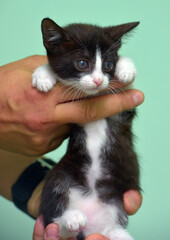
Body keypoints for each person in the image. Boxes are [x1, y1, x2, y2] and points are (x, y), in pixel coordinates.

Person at [0, 56, 144, 240]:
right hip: (75, 184)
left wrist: (33, 185)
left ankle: (111, 229)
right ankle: (67, 221)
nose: (97, 78)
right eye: (83, 64)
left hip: (106, 193)